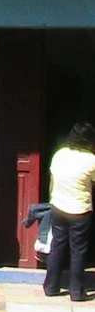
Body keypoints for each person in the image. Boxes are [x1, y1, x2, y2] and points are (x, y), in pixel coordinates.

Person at [43, 121, 95, 301]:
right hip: (80, 211)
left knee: (57, 246)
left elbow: (52, 180)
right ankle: (76, 292)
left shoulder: (60, 155)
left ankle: (50, 287)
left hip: (58, 207)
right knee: (78, 251)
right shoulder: (90, 160)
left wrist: (52, 200)